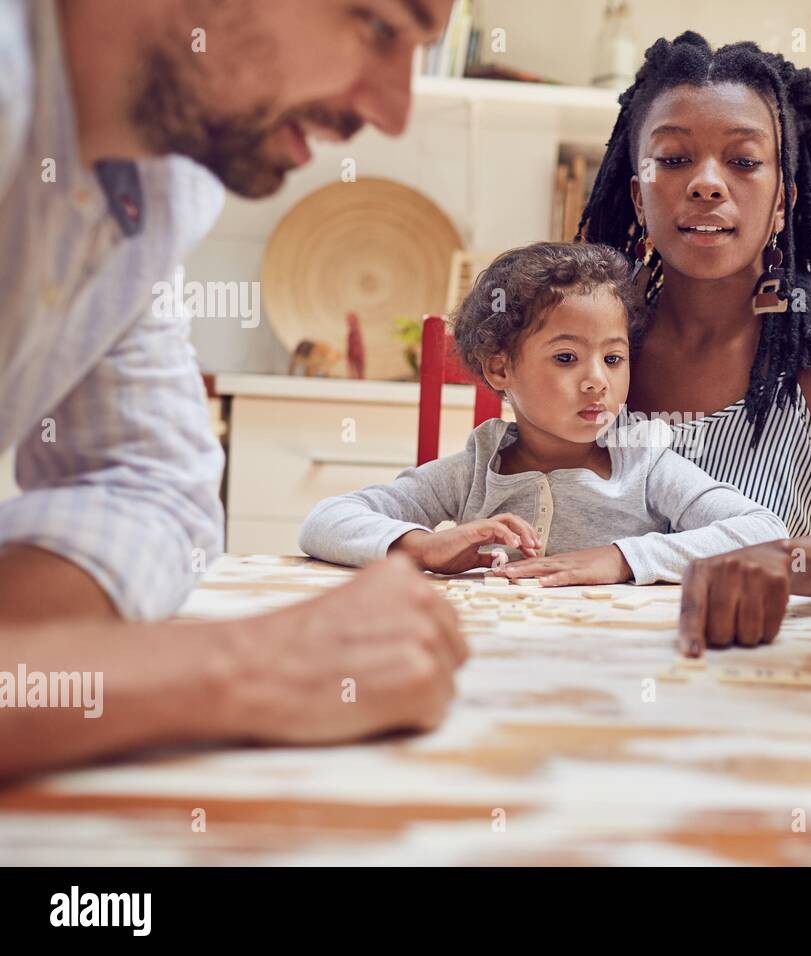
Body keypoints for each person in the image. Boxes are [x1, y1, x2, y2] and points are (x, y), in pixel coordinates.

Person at [1, 0, 467, 778]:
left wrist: (38, 676)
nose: (392, 112)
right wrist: (247, 666)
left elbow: (148, 490)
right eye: (380, 24)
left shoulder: (153, 193)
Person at [577, 33, 811, 656]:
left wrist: (777, 560)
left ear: (783, 201)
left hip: (765, 674)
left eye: (744, 162)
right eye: (672, 160)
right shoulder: (592, 350)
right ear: (638, 197)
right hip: (598, 664)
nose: (707, 184)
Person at [300, 242, 790, 583]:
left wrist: (623, 559)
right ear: (500, 369)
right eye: (565, 358)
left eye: (613, 358)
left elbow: (763, 532)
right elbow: (325, 520)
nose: (598, 379)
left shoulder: (645, 463)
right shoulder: (477, 469)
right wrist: (422, 547)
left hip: (620, 665)